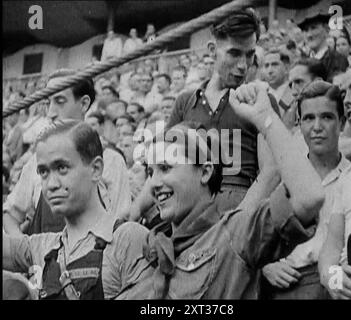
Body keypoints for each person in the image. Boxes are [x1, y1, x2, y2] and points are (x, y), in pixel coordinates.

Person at [119, 80, 324, 299]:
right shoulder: (148, 253)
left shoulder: (235, 233)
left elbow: (309, 197)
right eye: (151, 173)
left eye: (166, 168)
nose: (155, 183)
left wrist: (265, 117)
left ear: (205, 172)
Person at [3, 121, 153, 300]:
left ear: (96, 169)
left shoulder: (127, 240)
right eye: (43, 172)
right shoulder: (43, 247)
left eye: (62, 168)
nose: (51, 184)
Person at [167, 10, 280, 214]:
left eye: (250, 54)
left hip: (238, 205)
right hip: (189, 209)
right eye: (234, 53)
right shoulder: (185, 102)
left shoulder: (260, 100)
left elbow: (271, 173)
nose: (243, 65)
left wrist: (236, 223)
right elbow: (163, 167)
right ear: (212, 50)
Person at [3, 69, 131, 237]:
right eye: (48, 103)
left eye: (60, 101)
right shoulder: (36, 161)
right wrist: (30, 251)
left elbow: (120, 226)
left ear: (84, 104)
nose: (51, 113)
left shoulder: (111, 160)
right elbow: (10, 216)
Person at [261, 81, 350, 299]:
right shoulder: (285, 177)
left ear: (342, 123)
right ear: (299, 125)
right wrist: (266, 267)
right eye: (309, 118)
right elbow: (258, 238)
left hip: (336, 282)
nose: (317, 127)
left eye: (327, 117)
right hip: (288, 285)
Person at [319, 61, 351, 300]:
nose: (347, 100)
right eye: (345, 93)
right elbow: (330, 250)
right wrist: (337, 282)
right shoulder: (347, 175)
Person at [298, 12, 349, 82]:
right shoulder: (303, 62)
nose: (309, 35)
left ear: (327, 29)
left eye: (314, 28)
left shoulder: (337, 59)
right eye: (306, 30)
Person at [262, 48, 291, 115]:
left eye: (274, 65)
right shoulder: (260, 96)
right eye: (266, 66)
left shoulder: (296, 93)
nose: (270, 71)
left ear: (286, 68)